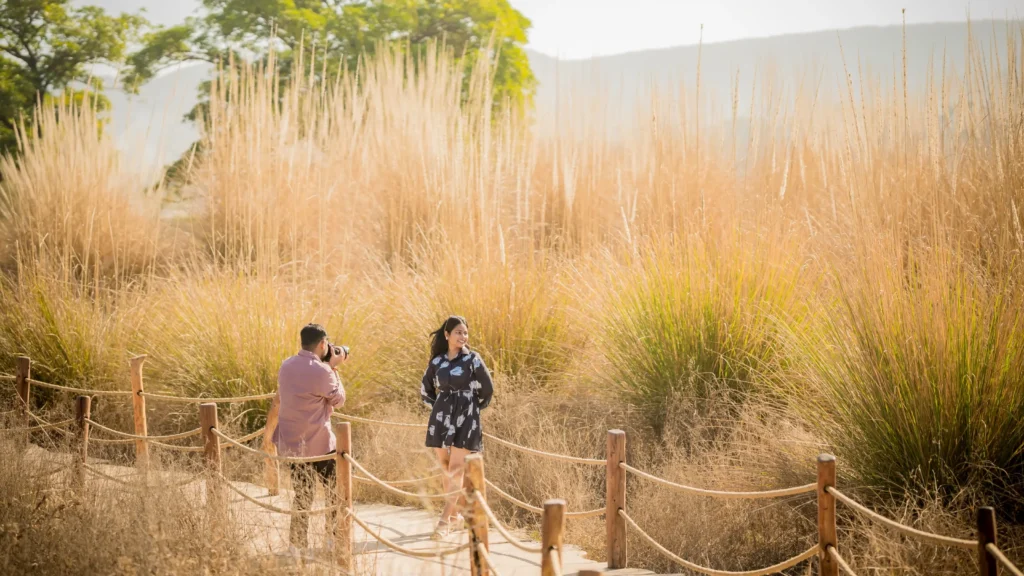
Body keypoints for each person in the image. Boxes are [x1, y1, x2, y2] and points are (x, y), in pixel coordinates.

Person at [272, 323, 349, 558]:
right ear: (323, 344)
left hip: (293, 445)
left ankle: (296, 545)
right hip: (320, 444)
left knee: (302, 495)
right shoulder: (323, 371)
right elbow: (339, 400)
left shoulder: (286, 366)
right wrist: (334, 367)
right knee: (334, 493)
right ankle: (331, 540)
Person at [420, 315, 494, 538]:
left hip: (466, 418)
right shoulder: (437, 362)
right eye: (458, 332)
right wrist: (439, 406)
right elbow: (425, 389)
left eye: (465, 332)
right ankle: (455, 517)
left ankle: (443, 521)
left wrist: (471, 407)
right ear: (447, 335)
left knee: (455, 468)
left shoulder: (473, 359)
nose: (463, 336)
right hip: (441, 418)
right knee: (444, 464)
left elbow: (487, 389)